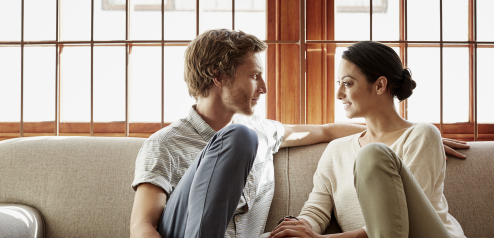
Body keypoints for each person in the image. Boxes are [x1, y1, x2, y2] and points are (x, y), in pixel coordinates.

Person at [129, 30, 468, 238]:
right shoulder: (167, 144)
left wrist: (412, 135)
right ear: (218, 75)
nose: (264, 87)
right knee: (241, 138)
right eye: (255, 76)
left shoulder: (262, 131)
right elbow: (143, 227)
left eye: (347, 84)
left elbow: (325, 129)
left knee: (246, 136)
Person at [269, 41, 466, 238]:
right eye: (339, 84)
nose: (339, 94)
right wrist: (297, 228)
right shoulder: (336, 150)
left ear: (380, 85)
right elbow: (316, 212)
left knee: (372, 155)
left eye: (347, 83)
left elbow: (401, 219)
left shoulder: (422, 135)